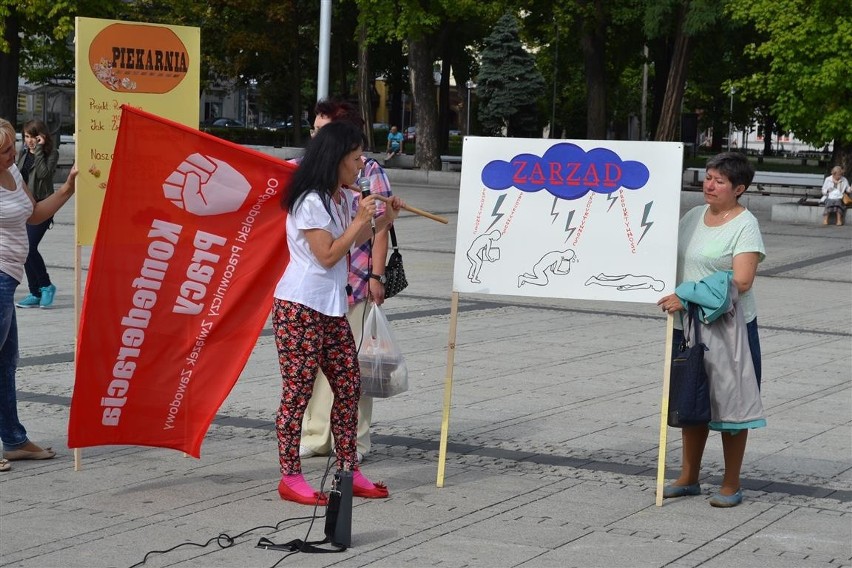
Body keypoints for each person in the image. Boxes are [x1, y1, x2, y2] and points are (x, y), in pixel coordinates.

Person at [272, 120, 403, 505]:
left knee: (348, 387)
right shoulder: (308, 200)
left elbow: (354, 240)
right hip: (299, 307)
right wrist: (363, 219)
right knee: (297, 393)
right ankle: (290, 476)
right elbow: (328, 253)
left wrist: (384, 221)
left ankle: (349, 469)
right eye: (355, 156)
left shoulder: (342, 197)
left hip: (331, 307)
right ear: (336, 158)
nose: (361, 163)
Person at [657, 152, 766, 508]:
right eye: (708, 177)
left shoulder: (744, 224)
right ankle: (689, 476)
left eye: (719, 181)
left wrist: (686, 295)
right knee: (692, 400)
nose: (709, 185)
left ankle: (731, 481)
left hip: (730, 330)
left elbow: (743, 280)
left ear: (739, 189)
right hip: (689, 328)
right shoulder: (692, 216)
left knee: (730, 406)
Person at [298, 98, 394, 464]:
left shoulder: (367, 172)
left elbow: (378, 229)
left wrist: (376, 274)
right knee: (320, 368)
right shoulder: (311, 176)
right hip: (320, 287)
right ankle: (316, 435)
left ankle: (355, 440)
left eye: (325, 130)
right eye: (315, 130)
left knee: (355, 369)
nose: (317, 138)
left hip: (355, 279)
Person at [0, 118, 77, 472]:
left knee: (6, 364)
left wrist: (68, 189)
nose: (9, 155)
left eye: (10, 148)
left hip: (9, 278)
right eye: (1, 152)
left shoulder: (14, 172)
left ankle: (14, 440)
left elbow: (34, 215)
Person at [15, 120, 60, 309]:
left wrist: (40, 150)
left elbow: (43, 174)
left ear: (41, 136)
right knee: (24, 250)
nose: (29, 141)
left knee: (30, 246)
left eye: (33, 136)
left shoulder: (52, 153)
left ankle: (47, 286)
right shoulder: (23, 154)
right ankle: (35, 293)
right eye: (26, 136)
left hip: (44, 205)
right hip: (25, 207)